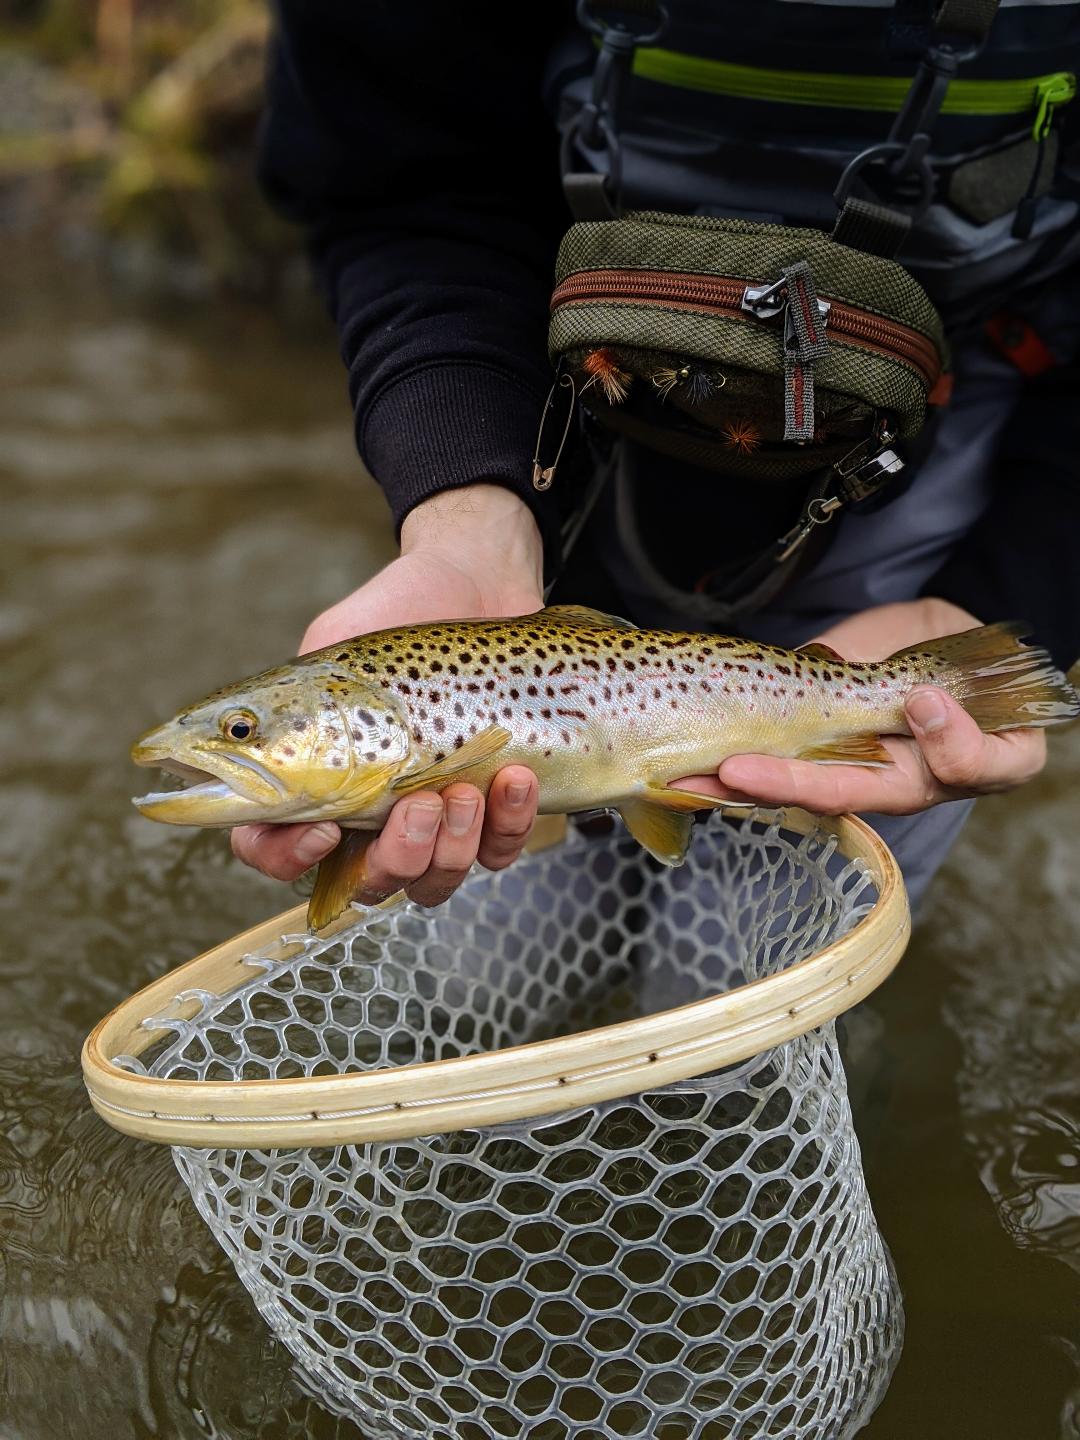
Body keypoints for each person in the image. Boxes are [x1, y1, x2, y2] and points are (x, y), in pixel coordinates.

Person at [233, 2, 1080, 912]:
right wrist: (469, 516)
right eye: (241, 732)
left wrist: (1011, 595)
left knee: (748, 952)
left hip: (953, 408)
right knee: (485, 956)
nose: (234, 741)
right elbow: (404, 181)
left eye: (243, 731)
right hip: (553, 373)